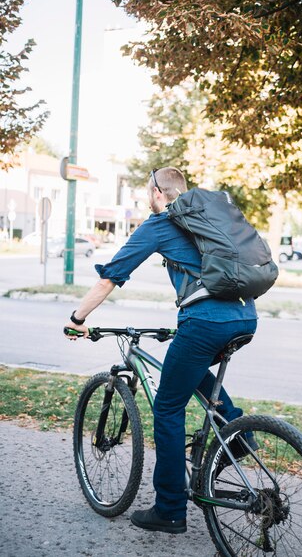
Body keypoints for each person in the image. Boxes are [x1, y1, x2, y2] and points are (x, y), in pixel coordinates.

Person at [65, 166, 258, 534]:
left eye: (144, 193)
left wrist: (77, 317)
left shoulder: (159, 223)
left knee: (168, 407)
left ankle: (170, 510)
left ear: (157, 192)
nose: (145, 199)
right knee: (191, 371)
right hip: (246, 316)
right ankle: (239, 435)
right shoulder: (209, 219)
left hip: (205, 321)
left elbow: (111, 277)